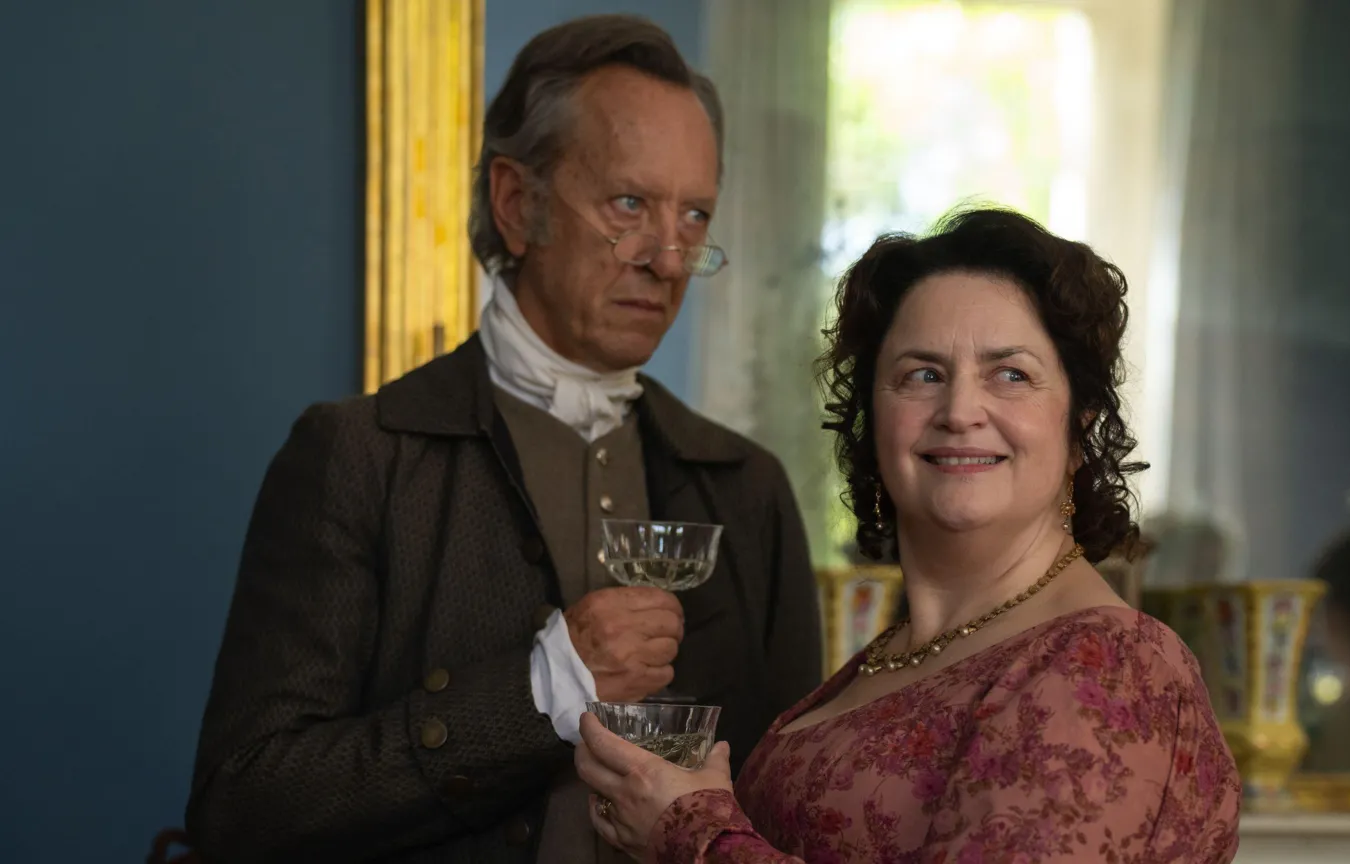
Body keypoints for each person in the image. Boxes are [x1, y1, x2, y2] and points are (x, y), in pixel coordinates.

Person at [186, 15, 822, 863]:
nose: (669, 261)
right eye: (629, 205)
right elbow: (245, 803)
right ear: (517, 204)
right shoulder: (358, 458)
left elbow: (790, 810)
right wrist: (540, 688)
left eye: (695, 216)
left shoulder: (748, 489)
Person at [576, 208, 1243, 862]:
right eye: (922, 375)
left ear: (1077, 428)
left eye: (1010, 375)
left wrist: (691, 832)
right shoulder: (894, 656)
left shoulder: (1111, 664)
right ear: (872, 418)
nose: (959, 411)